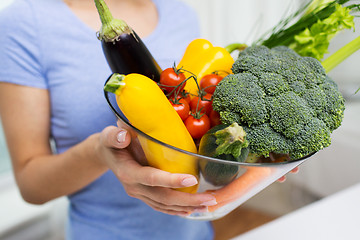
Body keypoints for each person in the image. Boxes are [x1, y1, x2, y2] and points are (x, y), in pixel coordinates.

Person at [0, 0, 217, 239]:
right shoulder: (24, 23)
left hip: (196, 232)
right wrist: (99, 152)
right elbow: (32, 187)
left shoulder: (180, 11)